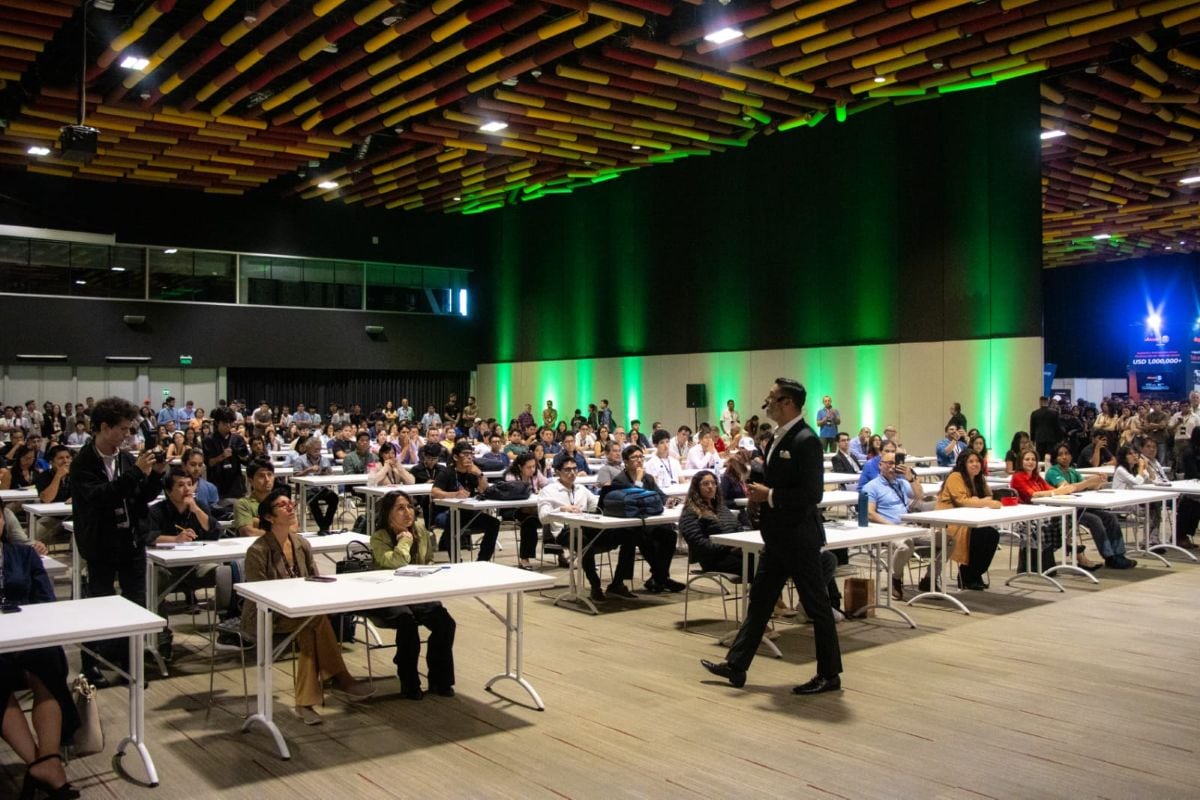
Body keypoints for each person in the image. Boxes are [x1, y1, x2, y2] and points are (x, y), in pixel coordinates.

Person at [702, 378, 843, 696]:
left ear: (787, 403)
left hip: (799, 537)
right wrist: (748, 473)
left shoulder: (806, 439)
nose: (766, 403)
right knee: (760, 601)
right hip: (778, 537)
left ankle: (829, 673)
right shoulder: (781, 435)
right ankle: (736, 665)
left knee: (816, 606)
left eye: (772, 397)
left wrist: (770, 495)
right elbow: (778, 479)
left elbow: (812, 494)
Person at [241, 491, 373, 725]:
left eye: (290, 503)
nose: (290, 507)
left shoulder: (301, 544)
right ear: (269, 517)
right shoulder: (258, 551)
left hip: (302, 611)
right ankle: (339, 677)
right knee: (314, 621)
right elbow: (259, 594)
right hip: (267, 615)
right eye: (282, 505)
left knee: (311, 625)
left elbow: (315, 579)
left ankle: (306, 702)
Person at [70, 397, 167, 687]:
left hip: (131, 541)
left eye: (129, 429)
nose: (128, 434)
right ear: (104, 427)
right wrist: (137, 473)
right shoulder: (83, 463)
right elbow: (102, 497)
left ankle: (130, 662)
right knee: (99, 603)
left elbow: (141, 497)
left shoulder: (125, 459)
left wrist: (156, 475)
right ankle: (91, 664)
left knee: (135, 603)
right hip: (100, 543)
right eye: (123, 429)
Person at [0, 505, 81, 800]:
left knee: (49, 661)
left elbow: (45, 601)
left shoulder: (24, 555)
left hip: (28, 636)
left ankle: (44, 762)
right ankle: (45, 765)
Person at [368, 491, 457, 699]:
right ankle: (409, 681)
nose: (408, 512)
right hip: (388, 596)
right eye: (400, 508)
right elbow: (395, 562)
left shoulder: (420, 530)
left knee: (445, 623)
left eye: (409, 506)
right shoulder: (379, 537)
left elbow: (429, 560)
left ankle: (440, 680)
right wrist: (405, 541)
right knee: (406, 622)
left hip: (417, 592)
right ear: (388, 513)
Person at [607, 445, 685, 595]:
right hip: (627, 524)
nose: (639, 460)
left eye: (641, 457)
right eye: (634, 457)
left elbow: (660, 495)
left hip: (648, 521)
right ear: (625, 462)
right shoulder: (619, 480)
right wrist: (638, 479)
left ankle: (658, 577)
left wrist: (668, 501)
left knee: (670, 535)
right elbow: (632, 498)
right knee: (639, 538)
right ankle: (661, 578)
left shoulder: (648, 478)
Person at [1045, 444, 1136, 569]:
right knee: (1095, 520)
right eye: (1060, 455)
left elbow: (1086, 486)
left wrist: (1098, 482)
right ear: (1055, 458)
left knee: (1110, 517)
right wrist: (1088, 482)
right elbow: (1067, 488)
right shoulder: (1053, 471)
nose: (1064, 457)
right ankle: (1109, 556)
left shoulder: (1072, 471)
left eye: (1067, 453)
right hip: (1065, 510)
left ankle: (1119, 554)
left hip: (1081, 507)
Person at [1010, 449, 1098, 572]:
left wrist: (1058, 490)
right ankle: (1072, 548)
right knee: (1060, 520)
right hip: (1026, 515)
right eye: (1027, 459)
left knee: (1067, 518)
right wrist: (1056, 492)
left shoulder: (1036, 477)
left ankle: (1072, 547)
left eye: (1033, 459)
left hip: (1042, 511)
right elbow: (1034, 495)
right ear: (1020, 461)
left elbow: (1050, 489)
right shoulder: (1018, 477)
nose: (1031, 462)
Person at [863, 449, 928, 599]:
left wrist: (911, 479)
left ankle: (929, 579)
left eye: (896, 463)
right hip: (889, 529)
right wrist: (893, 527)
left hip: (910, 527)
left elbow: (920, 496)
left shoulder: (902, 483)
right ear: (880, 465)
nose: (893, 467)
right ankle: (895, 579)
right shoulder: (871, 486)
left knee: (947, 539)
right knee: (906, 545)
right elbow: (869, 513)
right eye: (889, 463)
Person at [935, 451, 1002, 590]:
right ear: (963, 464)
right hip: (951, 522)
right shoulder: (955, 476)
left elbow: (989, 496)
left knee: (992, 535)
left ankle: (974, 573)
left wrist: (980, 500)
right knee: (981, 535)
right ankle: (967, 574)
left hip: (971, 521)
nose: (975, 464)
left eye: (977, 461)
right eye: (971, 461)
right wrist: (984, 502)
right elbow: (962, 501)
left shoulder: (978, 479)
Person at [431, 441, 501, 561]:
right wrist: (454, 495)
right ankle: (456, 560)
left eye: (470, 454)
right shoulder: (447, 472)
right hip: (446, 512)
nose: (469, 457)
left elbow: (485, 490)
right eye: (465, 454)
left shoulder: (472, 473)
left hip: (468, 512)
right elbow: (434, 492)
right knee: (452, 522)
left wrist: (479, 474)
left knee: (494, 523)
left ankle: (482, 561)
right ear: (455, 457)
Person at [678, 470, 744, 574]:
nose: (710, 486)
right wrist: (729, 545)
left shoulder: (721, 507)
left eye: (713, 483)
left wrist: (740, 544)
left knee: (763, 560)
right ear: (697, 488)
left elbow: (738, 527)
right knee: (755, 566)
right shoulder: (690, 511)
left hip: (735, 553)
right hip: (714, 560)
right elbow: (698, 544)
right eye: (705, 483)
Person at [505, 453, 549, 569]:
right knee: (529, 522)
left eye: (534, 466)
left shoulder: (536, 473)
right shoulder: (511, 476)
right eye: (529, 467)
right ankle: (525, 558)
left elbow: (547, 485)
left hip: (535, 509)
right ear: (520, 467)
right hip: (515, 510)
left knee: (551, 520)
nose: (532, 469)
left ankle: (559, 554)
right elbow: (513, 493)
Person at [291, 435, 339, 534]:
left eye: (319, 449)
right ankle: (324, 527)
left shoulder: (324, 460)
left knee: (334, 498)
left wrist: (326, 474)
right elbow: (295, 476)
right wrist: (308, 470)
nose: (318, 452)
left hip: (321, 488)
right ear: (308, 449)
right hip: (307, 489)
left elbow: (331, 474)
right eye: (315, 450)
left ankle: (324, 526)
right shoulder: (300, 460)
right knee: (313, 501)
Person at [203, 407, 250, 501]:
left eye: (230, 422)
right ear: (217, 423)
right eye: (225, 423)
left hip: (235, 483)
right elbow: (209, 463)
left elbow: (247, 460)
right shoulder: (209, 440)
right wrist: (222, 456)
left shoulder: (238, 439)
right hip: (217, 483)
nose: (228, 425)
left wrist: (239, 455)